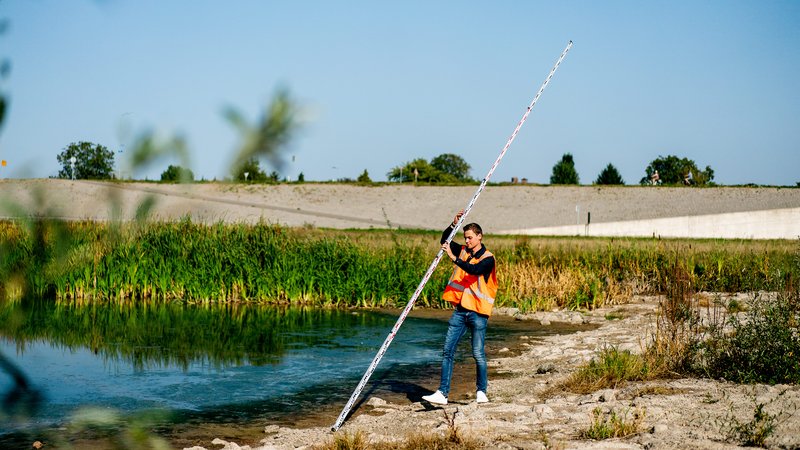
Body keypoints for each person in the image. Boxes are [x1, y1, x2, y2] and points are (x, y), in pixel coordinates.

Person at [422, 209, 498, 405]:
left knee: (478, 354)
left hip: (479, 314)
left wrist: (454, 259)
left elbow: (475, 270)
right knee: (447, 351)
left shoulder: (488, 258)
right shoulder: (464, 250)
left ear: (480, 236)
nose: (467, 241)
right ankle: (442, 393)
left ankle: (481, 391)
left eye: (471, 238)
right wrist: (453, 224)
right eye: (465, 238)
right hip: (460, 312)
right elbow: (445, 241)